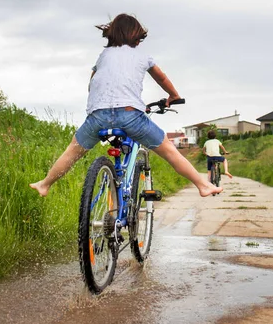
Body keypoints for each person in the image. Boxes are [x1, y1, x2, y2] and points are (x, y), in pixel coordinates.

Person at [30, 13, 222, 197]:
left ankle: (45, 184)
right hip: (130, 115)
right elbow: (161, 78)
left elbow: (93, 82)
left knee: (72, 151)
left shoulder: (104, 55)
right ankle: (203, 185)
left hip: (97, 115)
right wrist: (173, 95)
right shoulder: (142, 56)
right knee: (169, 150)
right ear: (134, 36)